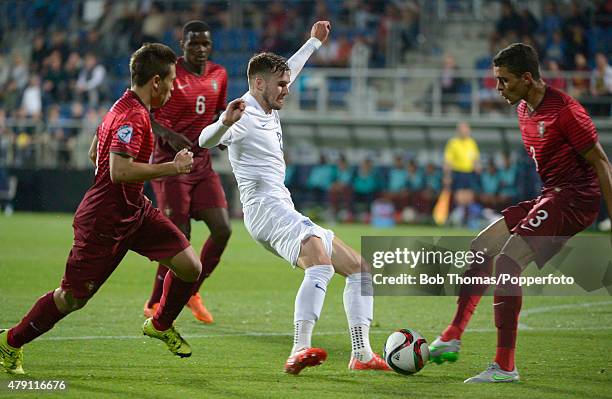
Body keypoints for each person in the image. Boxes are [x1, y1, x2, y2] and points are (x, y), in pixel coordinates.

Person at [199, 21, 390, 375]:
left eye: (287, 83)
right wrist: (224, 122)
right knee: (319, 260)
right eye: (281, 85)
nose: (287, 89)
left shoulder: (269, 101)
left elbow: (292, 68)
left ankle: (362, 354)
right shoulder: (242, 112)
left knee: (361, 270)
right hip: (263, 210)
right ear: (259, 83)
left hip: (281, 205)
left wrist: (313, 43)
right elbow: (203, 141)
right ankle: (298, 349)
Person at [0, 43, 202, 375]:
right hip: (103, 222)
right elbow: (118, 171)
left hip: (134, 211)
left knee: (189, 266)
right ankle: (11, 341)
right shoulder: (133, 116)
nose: (172, 87)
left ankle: (161, 323)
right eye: (171, 80)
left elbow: (95, 153)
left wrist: (131, 189)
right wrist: (172, 168)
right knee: (72, 299)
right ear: (155, 81)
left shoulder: (122, 107)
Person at [429, 43, 612, 383]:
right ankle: (452, 334)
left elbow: (602, 164)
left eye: (505, 81)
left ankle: (505, 366)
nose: (499, 88)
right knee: (482, 246)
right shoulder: (524, 109)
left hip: (575, 198)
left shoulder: (567, 112)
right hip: (551, 195)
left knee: (509, 261)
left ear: (528, 78)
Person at [143, 20, 230, 324]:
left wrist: (222, 134)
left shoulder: (219, 74)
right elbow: (145, 113)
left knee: (223, 230)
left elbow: (218, 113)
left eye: (206, 43)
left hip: (202, 164)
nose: (201, 49)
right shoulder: (169, 73)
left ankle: (192, 292)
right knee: (180, 236)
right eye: (194, 43)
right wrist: (166, 135)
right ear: (183, 45)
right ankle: (155, 302)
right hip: (171, 165)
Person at [443, 121, 481, 226]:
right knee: (459, 197)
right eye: (463, 129)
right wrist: (447, 176)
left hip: (469, 173)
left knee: (469, 197)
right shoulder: (453, 143)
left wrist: (477, 166)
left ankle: (468, 219)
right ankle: (459, 218)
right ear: (459, 131)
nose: (465, 131)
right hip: (458, 172)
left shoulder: (471, 142)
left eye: (466, 129)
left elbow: (475, 158)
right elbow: (448, 161)